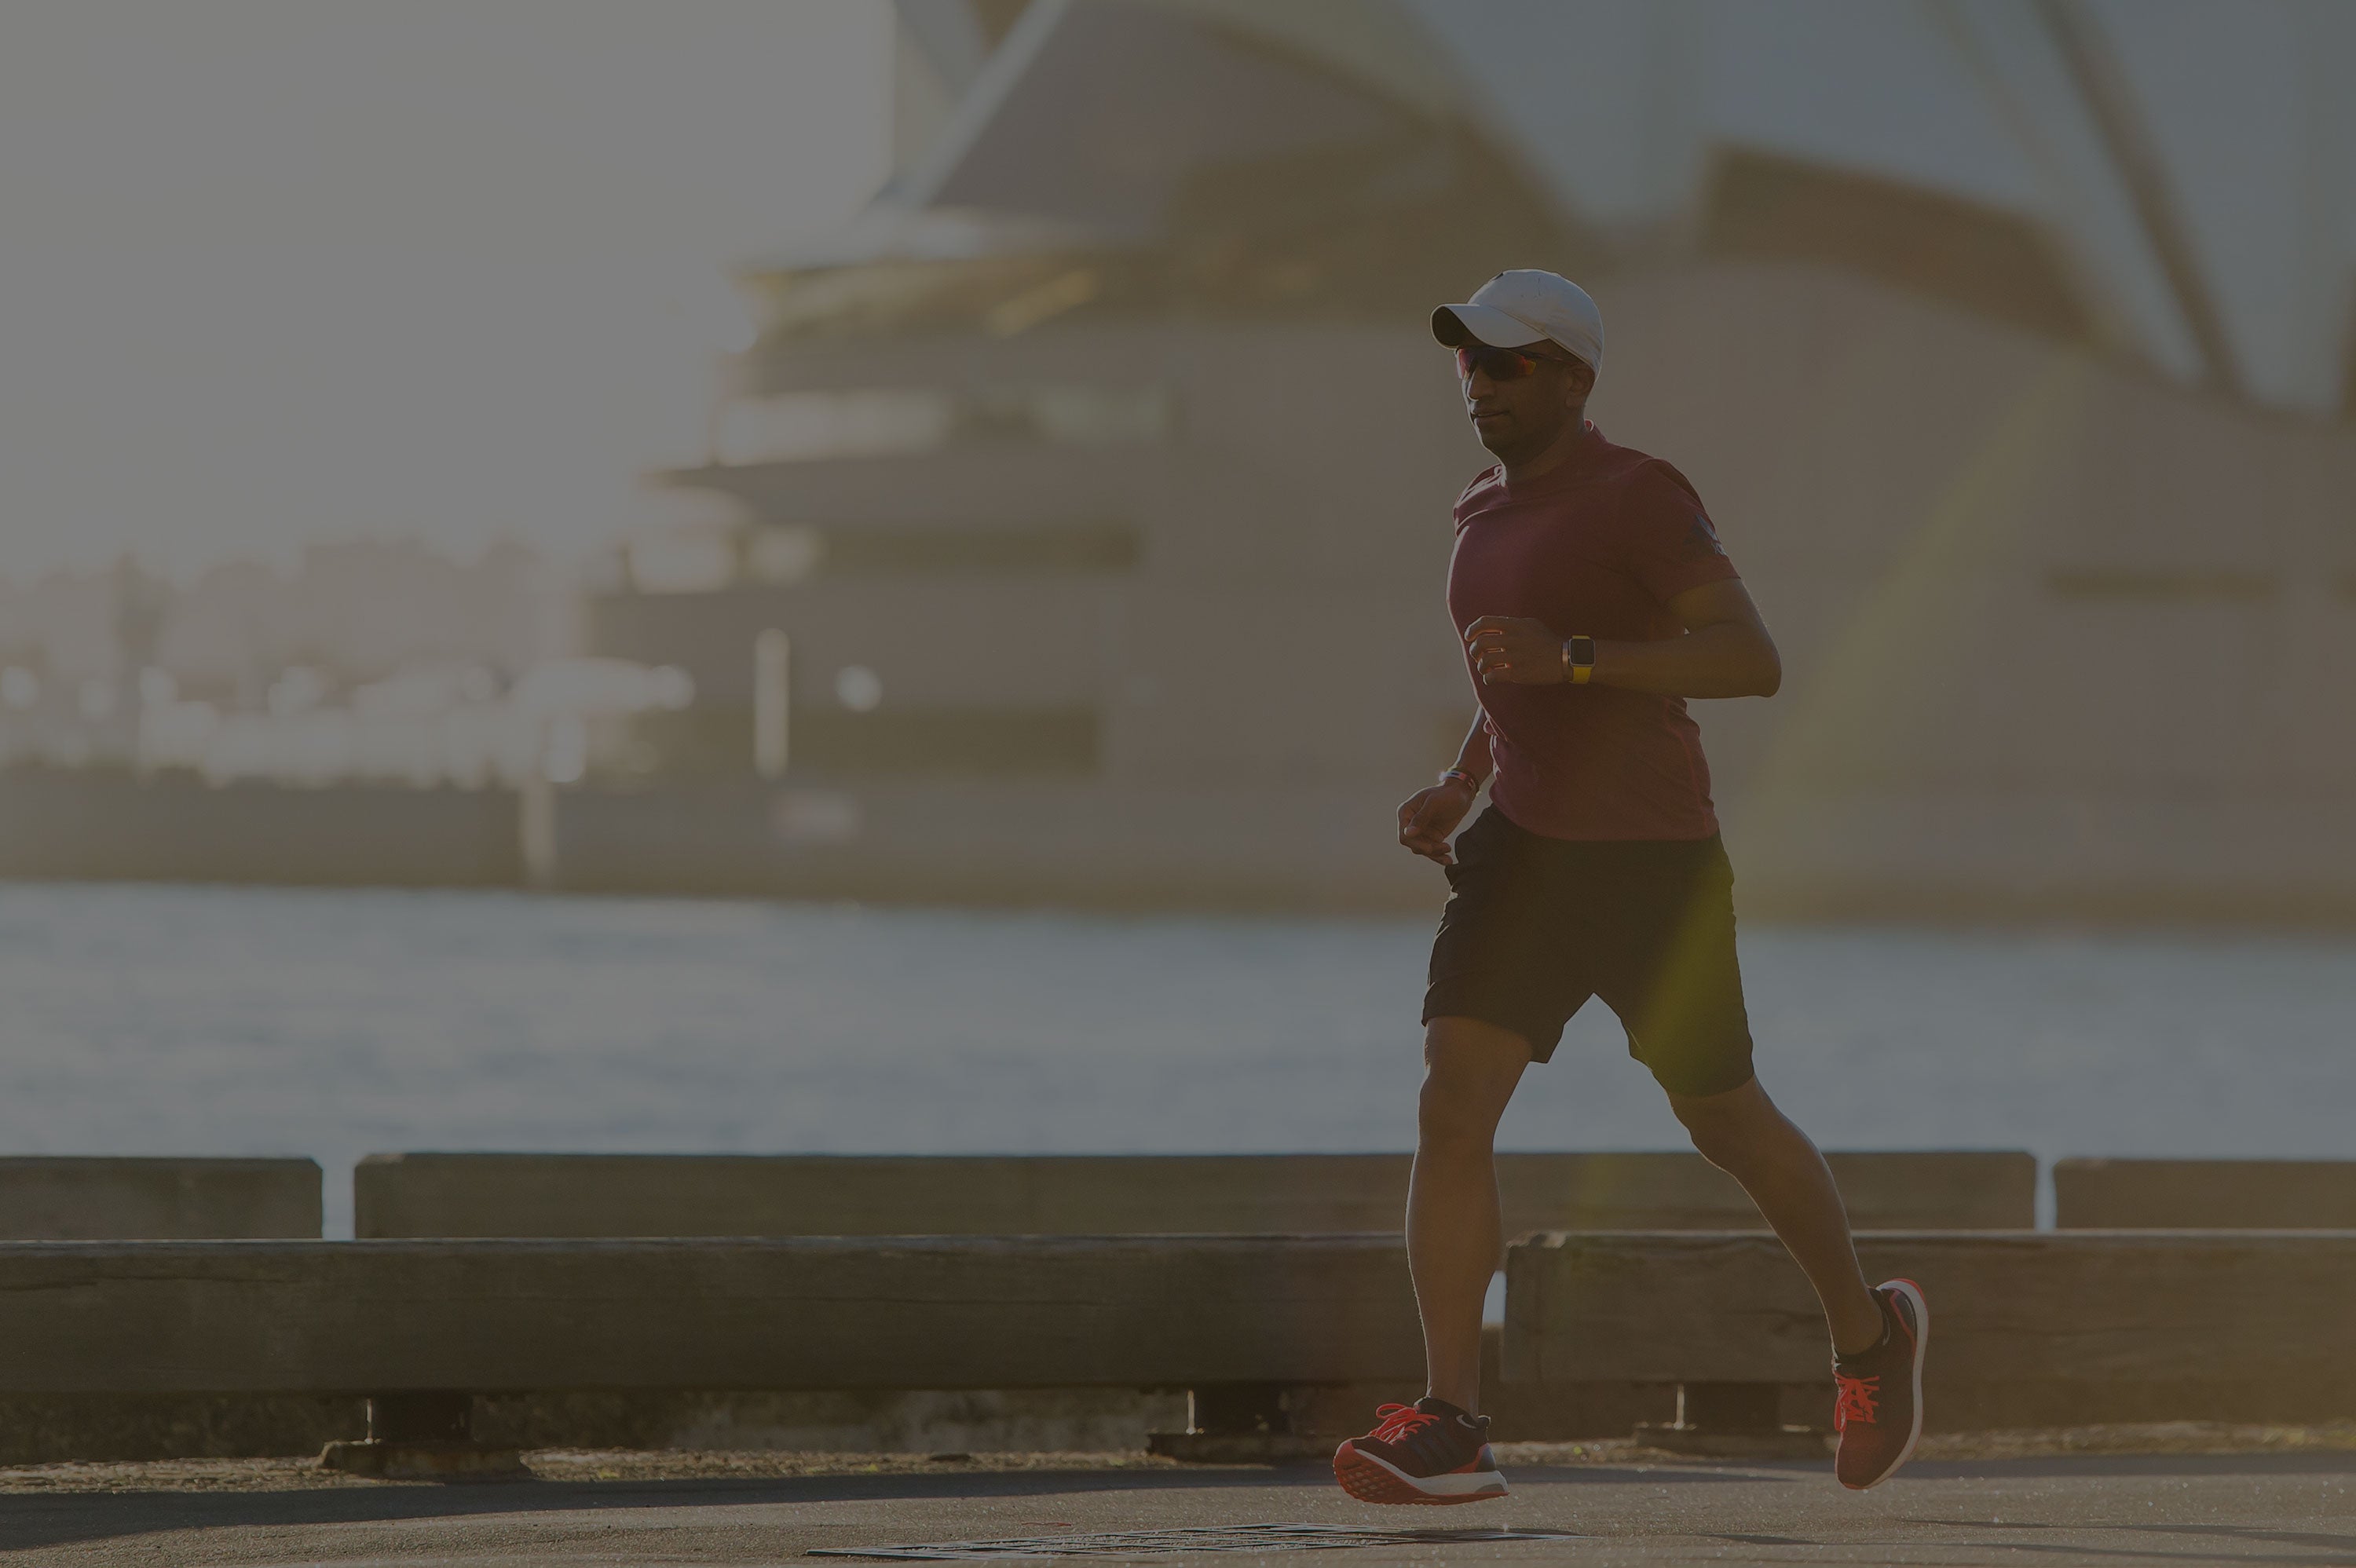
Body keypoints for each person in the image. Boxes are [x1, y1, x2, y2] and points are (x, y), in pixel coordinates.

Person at [1330, 271, 1927, 1506]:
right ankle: (1454, 1418)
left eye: (1507, 365)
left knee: (1726, 1121)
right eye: (1468, 365)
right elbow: (1512, 681)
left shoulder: (1642, 496)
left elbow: (1749, 659)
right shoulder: (1478, 510)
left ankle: (1871, 1337)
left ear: (1572, 377)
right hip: (1523, 854)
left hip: (1653, 864)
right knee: (1454, 1096)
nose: (1480, 386)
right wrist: (1459, 779)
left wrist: (1581, 659)